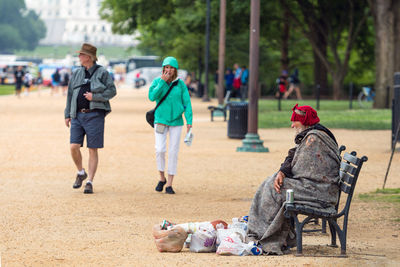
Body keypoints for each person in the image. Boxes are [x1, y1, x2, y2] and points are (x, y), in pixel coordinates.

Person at [246, 104, 340, 255]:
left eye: (295, 121)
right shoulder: (312, 134)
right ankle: (260, 232)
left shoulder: (314, 139)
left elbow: (298, 168)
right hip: (317, 186)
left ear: (305, 120)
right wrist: (282, 172)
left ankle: (265, 236)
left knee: (273, 187)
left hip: (320, 192)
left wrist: (284, 174)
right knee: (270, 181)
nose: (292, 125)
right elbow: (294, 156)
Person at [64, 43, 117, 194]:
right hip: (77, 115)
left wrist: (96, 97)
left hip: (95, 114)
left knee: (92, 149)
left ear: (89, 57)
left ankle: (89, 182)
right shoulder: (77, 73)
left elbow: (112, 91)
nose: (79, 57)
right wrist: (67, 114)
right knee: (74, 146)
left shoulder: (102, 72)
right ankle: (81, 172)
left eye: (81, 55)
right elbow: (69, 94)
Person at [148, 56, 193, 194]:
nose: (168, 70)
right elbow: (152, 97)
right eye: (166, 67)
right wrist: (162, 81)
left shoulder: (180, 85)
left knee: (173, 151)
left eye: (171, 67)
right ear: (163, 69)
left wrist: (189, 121)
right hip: (161, 120)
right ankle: (161, 178)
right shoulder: (157, 81)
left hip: (176, 122)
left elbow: (187, 103)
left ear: (175, 70)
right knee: (160, 149)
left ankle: (169, 183)